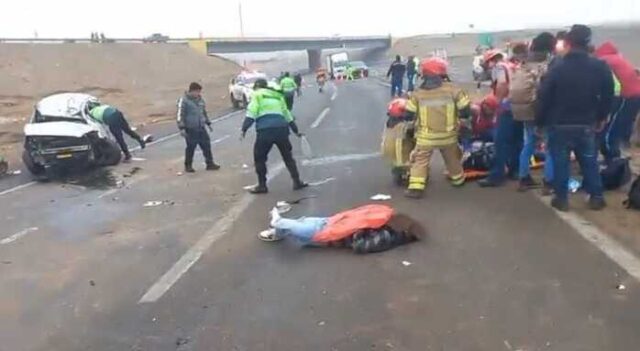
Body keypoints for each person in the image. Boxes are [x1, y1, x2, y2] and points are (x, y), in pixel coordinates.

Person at [535, 24, 613, 212]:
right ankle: (596, 197)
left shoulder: (557, 67)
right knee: (589, 161)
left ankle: (561, 199)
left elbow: (544, 96)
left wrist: (540, 122)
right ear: (588, 43)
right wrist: (601, 116)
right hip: (586, 122)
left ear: (568, 42)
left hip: (559, 124)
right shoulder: (599, 65)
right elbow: (608, 93)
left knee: (561, 163)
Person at [404, 58, 470, 199]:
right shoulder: (454, 90)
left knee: (420, 161)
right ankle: (458, 180)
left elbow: (409, 116)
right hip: (449, 136)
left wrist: (409, 130)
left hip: (426, 137)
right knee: (452, 158)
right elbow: (465, 110)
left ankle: (416, 188)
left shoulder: (417, 93)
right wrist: (464, 126)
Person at [241, 79, 308, 194]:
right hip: (282, 129)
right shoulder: (278, 96)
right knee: (288, 157)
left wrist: (244, 129)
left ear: (257, 86)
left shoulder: (257, 94)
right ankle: (297, 181)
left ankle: (262, 186)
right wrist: (296, 131)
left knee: (260, 158)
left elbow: (252, 112)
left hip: (265, 130)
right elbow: (287, 114)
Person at [509, 36, 556, 192]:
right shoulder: (545, 65)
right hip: (539, 110)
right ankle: (549, 182)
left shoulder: (523, 63)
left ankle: (524, 178)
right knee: (550, 146)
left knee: (529, 142)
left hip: (522, 109)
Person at [478, 49, 524, 187]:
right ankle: (515, 171)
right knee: (517, 141)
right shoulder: (513, 65)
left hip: (506, 107)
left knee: (501, 142)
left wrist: (498, 101)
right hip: (519, 107)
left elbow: (502, 84)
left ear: (491, 60)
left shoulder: (499, 67)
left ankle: (497, 175)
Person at [595, 41, 640, 158]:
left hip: (626, 95)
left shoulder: (604, 60)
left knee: (611, 128)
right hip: (636, 94)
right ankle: (619, 150)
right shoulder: (618, 58)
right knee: (622, 125)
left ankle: (612, 157)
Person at [177, 82, 220, 173]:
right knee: (191, 147)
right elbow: (180, 115)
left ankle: (210, 163)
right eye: (197, 92)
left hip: (201, 127)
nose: (198, 94)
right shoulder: (184, 101)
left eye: (199, 92)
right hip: (190, 128)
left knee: (206, 146)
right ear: (192, 91)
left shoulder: (200, 100)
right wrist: (182, 128)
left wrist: (207, 122)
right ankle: (188, 166)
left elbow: (203, 112)